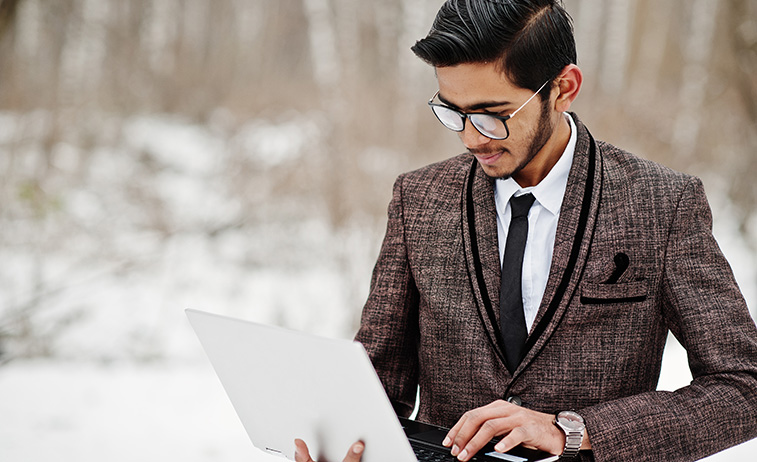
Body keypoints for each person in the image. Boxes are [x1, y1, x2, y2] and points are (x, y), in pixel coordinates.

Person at [296, 1, 757, 461]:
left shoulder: (662, 204)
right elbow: (379, 384)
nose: (472, 138)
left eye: (491, 113)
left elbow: (744, 387)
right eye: (453, 112)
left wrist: (573, 431)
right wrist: (343, 442)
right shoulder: (418, 199)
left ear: (563, 89)